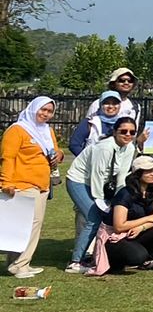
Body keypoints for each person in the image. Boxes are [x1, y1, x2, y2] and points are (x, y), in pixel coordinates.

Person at [63, 114, 136, 272]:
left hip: (99, 182)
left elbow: (122, 176)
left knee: (102, 216)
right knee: (94, 217)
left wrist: (120, 200)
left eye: (132, 132)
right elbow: (97, 175)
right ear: (115, 132)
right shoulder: (104, 147)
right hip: (79, 180)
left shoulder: (130, 147)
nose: (128, 135)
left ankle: (94, 255)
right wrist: (101, 201)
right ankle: (76, 262)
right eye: (124, 131)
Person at [92, 157, 153, 274]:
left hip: (136, 232)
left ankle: (148, 260)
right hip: (115, 237)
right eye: (149, 171)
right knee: (137, 256)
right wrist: (148, 218)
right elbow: (119, 226)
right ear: (138, 173)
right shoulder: (125, 194)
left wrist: (141, 228)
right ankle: (115, 261)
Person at [2, 97, 57, 278]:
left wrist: (60, 155)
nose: (45, 114)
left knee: (27, 226)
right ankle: (20, 265)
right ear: (33, 108)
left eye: (49, 111)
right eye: (43, 109)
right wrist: (6, 182)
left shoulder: (47, 131)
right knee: (28, 226)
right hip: (22, 184)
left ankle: (16, 263)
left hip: (42, 185)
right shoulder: (17, 130)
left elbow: (55, 152)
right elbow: (7, 157)